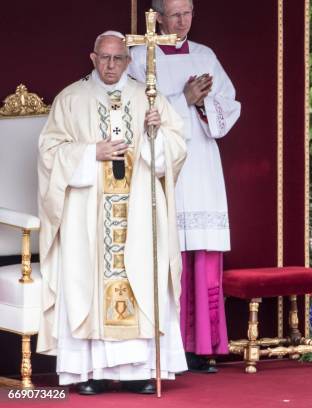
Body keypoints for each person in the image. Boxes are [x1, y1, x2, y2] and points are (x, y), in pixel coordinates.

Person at [37, 31, 188, 395]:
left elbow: (178, 147)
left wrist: (156, 136)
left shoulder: (148, 99)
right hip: (88, 213)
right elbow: (48, 152)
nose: (110, 65)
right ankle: (88, 371)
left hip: (137, 211)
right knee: (86, 282)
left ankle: (140, 372)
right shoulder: (70, 99)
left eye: (117, 58)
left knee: (142, 278)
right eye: (103, 58)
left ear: (128, 60)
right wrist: (92, 153)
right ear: (92, 58)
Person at [129, 0, 241, 372]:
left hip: (203, 165)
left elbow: (230, 105)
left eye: (188, 12)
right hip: (163, 165)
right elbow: (132, 112)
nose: (182, 21)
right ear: (157, 16)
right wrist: (184, 99)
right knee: (167, 254)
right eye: (174, 14)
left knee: (203, 256)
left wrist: (207, 106)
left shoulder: (205, 56)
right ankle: (169, 349)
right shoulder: (138, 56)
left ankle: (203, 345)